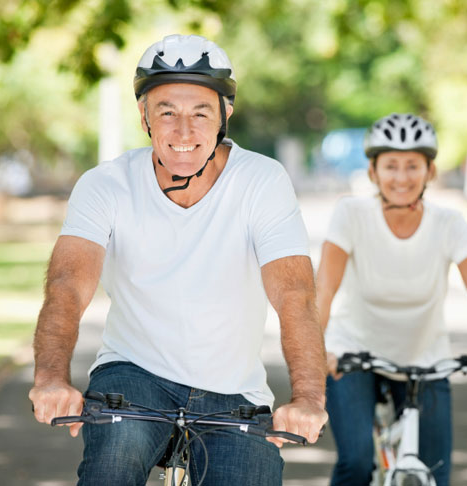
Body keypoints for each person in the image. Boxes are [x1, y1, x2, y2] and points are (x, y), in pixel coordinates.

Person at [28, 34, 328, 485]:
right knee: (113, 461)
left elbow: (294, 295)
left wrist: (307, 397)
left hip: (234, 389)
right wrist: (51, 377)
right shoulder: (106, 184)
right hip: (134, 375)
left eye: (200, 112)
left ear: (226, 114)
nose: (183, 132)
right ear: (144, 115)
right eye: (167, 111)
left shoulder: (262, 181)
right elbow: (68, 284)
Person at [316, 113, 467, 485]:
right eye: (391, 166)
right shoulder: (351, 214)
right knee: (357, 461)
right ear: (373, 172)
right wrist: (317, 353)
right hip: (352, 353)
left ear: (429, 172)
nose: (401, 177)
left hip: (425, 358)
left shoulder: (448, 223)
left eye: (412, 165)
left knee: (434, 472)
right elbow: (325, 290)